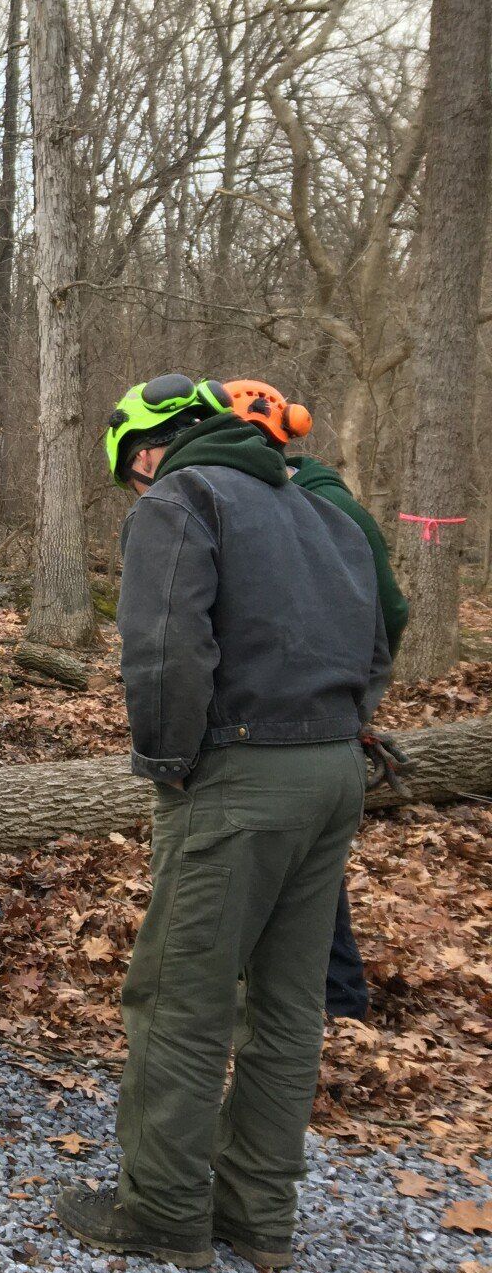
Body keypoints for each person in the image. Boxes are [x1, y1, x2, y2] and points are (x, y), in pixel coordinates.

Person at [54, 374, 391, 1272]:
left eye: (133, 470)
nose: (138, 486)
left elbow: (164, 646)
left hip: (241, 778)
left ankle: (164, 1210)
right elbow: (380, 637)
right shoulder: (321, 509)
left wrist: (171, 766)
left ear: (154, 446)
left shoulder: (185, 499)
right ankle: (258, 1212)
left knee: (181, 1000)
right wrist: (340, 723)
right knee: (286, 1006)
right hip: (334, 772)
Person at [225, 379, 408, 1020]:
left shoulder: (327, 507)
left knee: (308, 879)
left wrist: (353, 703)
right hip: (282, 721)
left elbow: (389, 611)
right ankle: (325, 1002)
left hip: (311, 720)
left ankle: (340, 1003)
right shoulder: (258, 500)